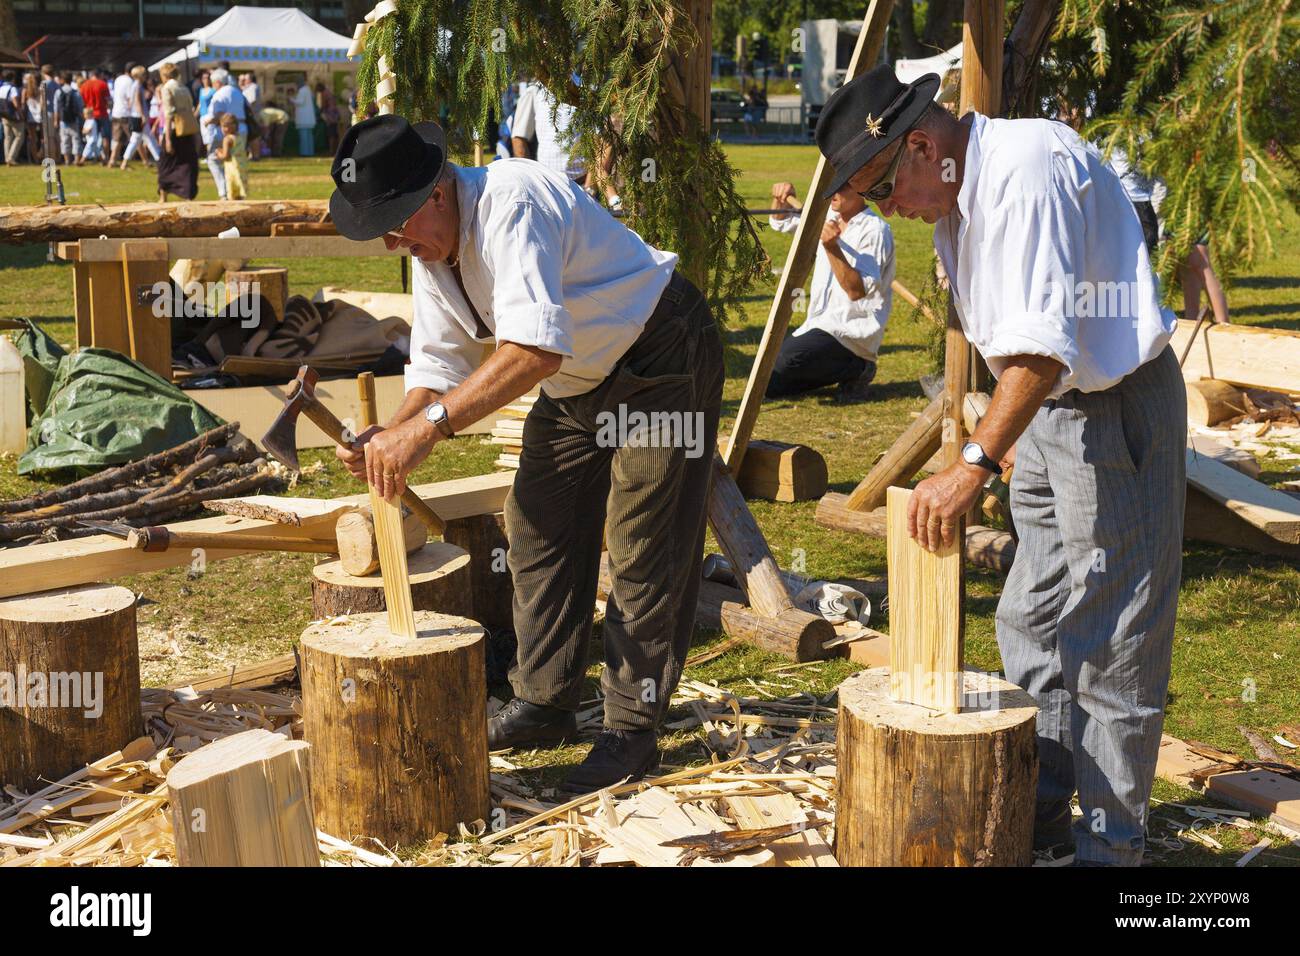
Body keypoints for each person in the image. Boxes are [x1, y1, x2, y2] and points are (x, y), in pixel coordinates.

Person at [818, 65, 1184, 866]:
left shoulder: (1024, 172)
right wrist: (1007, 427)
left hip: (1112, 403)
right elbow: (1010, 326)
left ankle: (1112, 844)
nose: (890, 213)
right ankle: (1043, 797)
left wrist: (974, 459)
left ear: (920, 145)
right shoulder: (957, 191)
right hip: (1049, 402)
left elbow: (1047, 345)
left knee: (1112, 627)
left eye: (883, 191)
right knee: (1033, 611)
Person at [329, 116, 721, 793]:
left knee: (642, 543)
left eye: (397, 223)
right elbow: (438, 360)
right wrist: (390, 430)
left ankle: (631, 728)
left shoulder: (512, 203)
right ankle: (543, 700)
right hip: (580, 378)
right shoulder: (433, 249)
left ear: (437, 193)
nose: (396, 242)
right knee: (537, 521)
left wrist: (427, 431)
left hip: (662, 353)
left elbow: (536, 348)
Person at [765, 180, 894, 401]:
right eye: (831, 184)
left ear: (861, 189)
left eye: (842, 186)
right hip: (819, 324)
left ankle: (859, 367)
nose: (833, 191)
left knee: (782, 366)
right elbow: (781, 222)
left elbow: (856, 292)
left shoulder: (875, 230)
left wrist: (832, 247)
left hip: (852, 335)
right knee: (768, 375)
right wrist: (781, 198)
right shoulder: (827, 217)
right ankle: (825, 369)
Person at [511, 82, 585, 182]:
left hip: (582, 181)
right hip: (548, 182)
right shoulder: (535, 90)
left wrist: (590, 186)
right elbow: (519, 138)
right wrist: (530, 180)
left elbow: (599, 139)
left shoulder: (585, 87)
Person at [157, 61, 199, 201]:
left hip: (174, 129)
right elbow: (190, 108)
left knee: (166, 164)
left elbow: (169, 115)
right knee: (187, 163)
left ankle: (163, 195)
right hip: (187, 130)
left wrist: (167, 138)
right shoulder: (184, 88)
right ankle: (188, 193)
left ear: (165, 74)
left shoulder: (167, 88)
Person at [203, 69, 246, 192]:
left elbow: (220, 114)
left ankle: (224, 190)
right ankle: (236, 188)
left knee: (213, 160)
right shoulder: (237, 91)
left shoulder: (220, 93)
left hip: (227, 130)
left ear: (217, 82)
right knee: (236, 160)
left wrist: (208, 122)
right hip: (241, 129)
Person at [79, 67, 110, 164]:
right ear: (100, 75)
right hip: (102, 113)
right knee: (105, 137)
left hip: (90, 115)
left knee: (92, 137)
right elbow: (108, 100)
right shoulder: (103, 84)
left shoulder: (84, 85)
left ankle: (95, 157)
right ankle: (106, 158)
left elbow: (82, 101)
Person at [213, 112, 247, 198]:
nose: (224, 129)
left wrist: (218, 153)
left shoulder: (227, 139)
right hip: (241, 167)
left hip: (231, 168)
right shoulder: (239, 136)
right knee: (240, 193)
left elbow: (226, 156)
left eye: (224, 126)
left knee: (232, 194)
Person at [54, 71, 84, 166]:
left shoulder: (58, 92)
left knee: (65, 140)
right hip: (74, 119)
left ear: (62, 80)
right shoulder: (76, 93)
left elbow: (56, 108)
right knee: (76, 139)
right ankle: (76, 160)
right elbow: (80, 107)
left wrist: (56, 120)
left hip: (63, 120)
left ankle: (67, 160)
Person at [0, 70, 23, 166]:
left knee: (8, 137)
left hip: (3, 115)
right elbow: (16, 103)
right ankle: (11, 157)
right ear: (12, 78)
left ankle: (7, 158)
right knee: (19, 136)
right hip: (13, 115)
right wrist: (20, 114)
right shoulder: (13, 88)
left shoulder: (1, 88)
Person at [22, 72, 43, 163]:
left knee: (32, 139)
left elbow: (23, 105)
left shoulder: (25, 91)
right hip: (40, 116)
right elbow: (42, 104)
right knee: (43, 138)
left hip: (30, 117)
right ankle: (41, 154)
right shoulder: (40, 90)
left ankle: (35, 158)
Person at [316, 82, 340, 155]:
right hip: (335, 115)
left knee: (331, 134)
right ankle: (336, 150)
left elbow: (323, 105)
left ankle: (331, 151)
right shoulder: (329, 92)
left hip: (330, 116)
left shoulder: (324, 93)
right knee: (335, 134)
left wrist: (320, 112)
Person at [293, 81, 315, 156]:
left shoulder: (302, 91)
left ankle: (304, 152)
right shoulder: (308, 90)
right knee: (309, 137)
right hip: (309, 118)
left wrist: (292, 100)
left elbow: (300, 102)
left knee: (304, 137)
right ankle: (310, 152)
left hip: (303, 118)